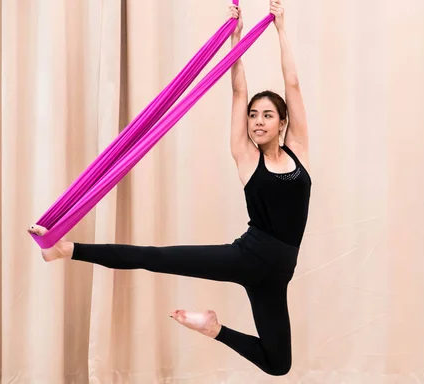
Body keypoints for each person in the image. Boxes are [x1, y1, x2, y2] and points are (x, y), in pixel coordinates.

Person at [27, 0, 310, 376]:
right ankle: (64, 249)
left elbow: (292, 84)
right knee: (154, 257)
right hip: (249, 257)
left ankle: (213, 328)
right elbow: (238, 92)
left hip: (276, 276)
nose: (257, 121)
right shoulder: (245, 156)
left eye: (267, 115)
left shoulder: (299, 151)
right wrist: (235, 42)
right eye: (253, 116)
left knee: (279, 364)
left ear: (282, 121)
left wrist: (281, 30)